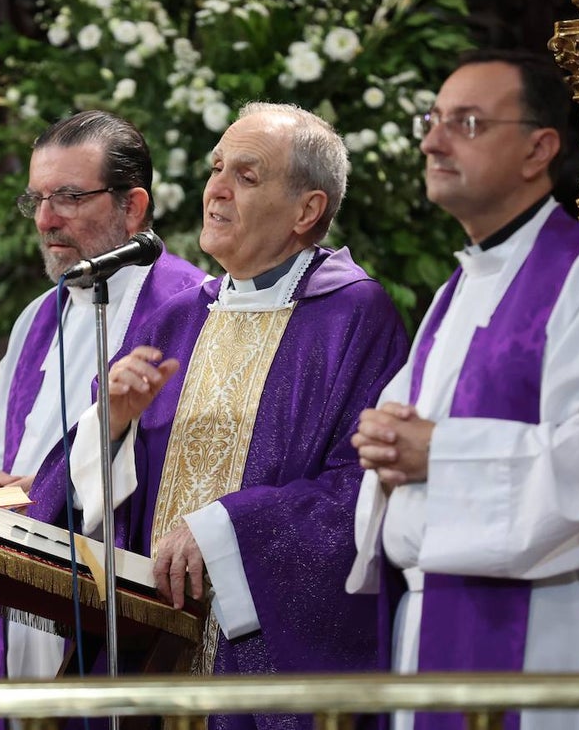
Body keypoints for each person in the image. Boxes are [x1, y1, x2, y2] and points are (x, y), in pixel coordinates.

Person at [346, 49, 579, 730]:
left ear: (537, 149)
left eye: (466, 123)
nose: (433, 142)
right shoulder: (454, 291)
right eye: (432, 121)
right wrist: (383, 442)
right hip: (434, 618)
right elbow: (409, 440)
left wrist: (438, 453)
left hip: (550, 625)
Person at [68, 102, 409, 730]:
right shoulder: (176, 318)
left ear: (307, 210)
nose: (216, 190)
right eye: (216, 169)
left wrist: (227, 531)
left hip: (255, 666)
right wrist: (109, 425)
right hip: (153, 662)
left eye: (245, 177)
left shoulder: (354, 317)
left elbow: (365, 489)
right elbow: (100, 502)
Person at [0, 110, 206, 685]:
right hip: (20, 608)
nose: (45, 220)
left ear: (132, 207)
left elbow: (191, 477)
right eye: (36, 200)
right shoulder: (39, 317)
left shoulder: (192, 309)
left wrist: (56, 487)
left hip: (121, 616)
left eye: (67, 197)